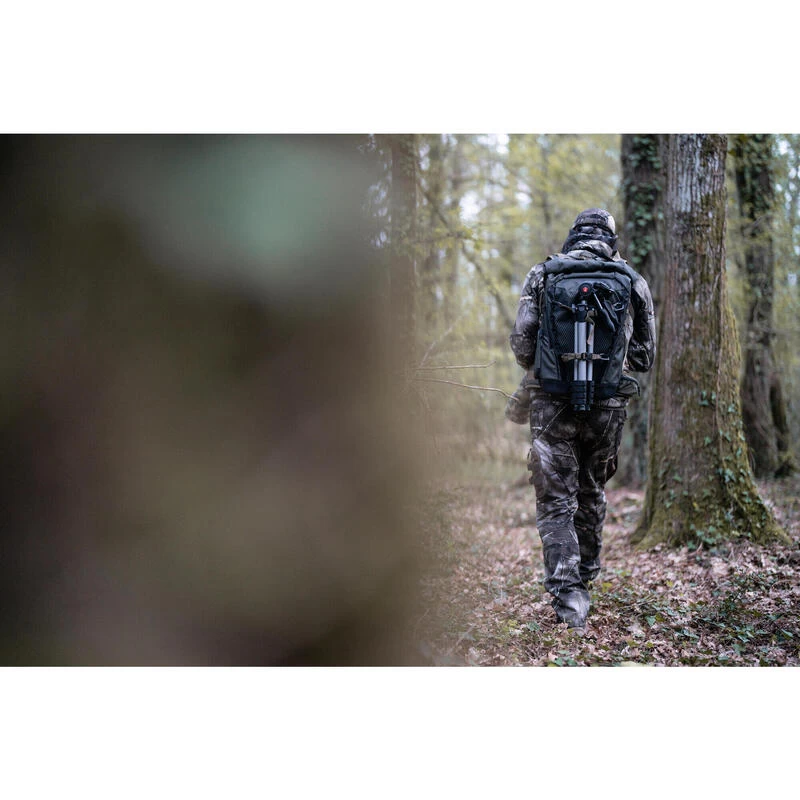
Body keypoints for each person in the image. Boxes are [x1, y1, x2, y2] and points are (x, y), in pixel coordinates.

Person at [506, 208, 656, 633]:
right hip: (608, 406)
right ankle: (586, 573)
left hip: (550, 403)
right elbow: (646, 357)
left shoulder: (543, 273)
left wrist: (555, 362)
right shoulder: (631, 281)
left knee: (555, 501)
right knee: (591, 491)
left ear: (573, 236)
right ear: (612, 239)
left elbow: (521, 345)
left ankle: (570, 599)